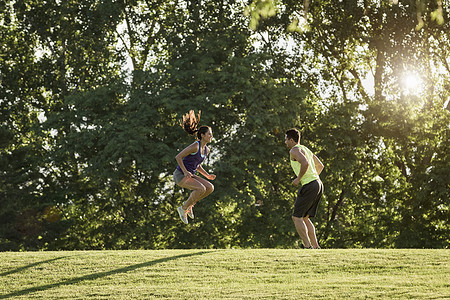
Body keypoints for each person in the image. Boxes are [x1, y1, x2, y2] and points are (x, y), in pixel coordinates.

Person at [173, 110, 216, 224]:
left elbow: (197, 165)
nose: (211, 136)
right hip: (180, 175)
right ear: (202, 135)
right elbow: (178, 157)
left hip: (190, 175)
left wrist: (207, 175)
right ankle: (183, 208)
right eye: (209, 134)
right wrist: (185, 171)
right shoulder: (195, 146)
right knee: (201, 189)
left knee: (210, 187)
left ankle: (190, 205)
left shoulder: (206, 150)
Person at [285, 128, 324, 249]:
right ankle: (315, 246)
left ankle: (307, 246)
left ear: (291, 140)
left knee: (296, 217)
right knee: (305, 218)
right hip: (318, 184)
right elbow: (320, 166)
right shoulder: (306, 149)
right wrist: (313, 177)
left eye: (286, 139)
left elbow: (305, 163)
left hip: (310, 185)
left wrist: (298, 179)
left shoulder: (294, 150)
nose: (285, 142)